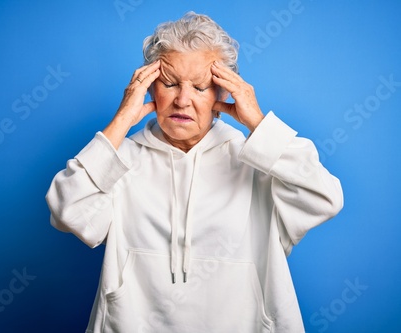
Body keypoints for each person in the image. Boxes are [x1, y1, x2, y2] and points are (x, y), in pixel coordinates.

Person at [46, 11, 343, 333]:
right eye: (170, 84)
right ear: (149, 89)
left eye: (200, 87)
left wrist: (258, 123)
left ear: (223, 93)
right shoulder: (121, 159)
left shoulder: (260, 158)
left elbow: (324, 197)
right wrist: (120, 122)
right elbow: (67, 212)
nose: (182, 100)